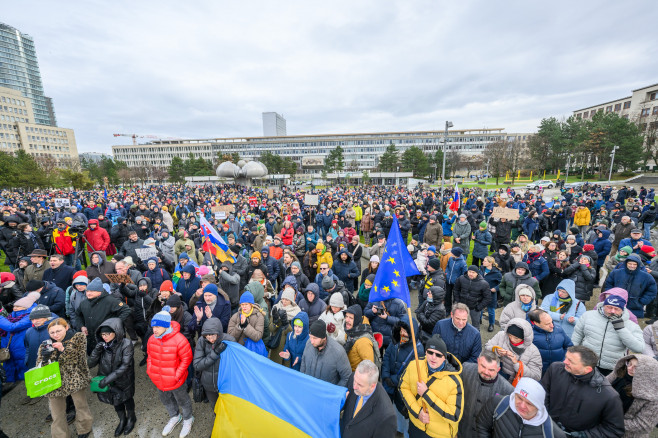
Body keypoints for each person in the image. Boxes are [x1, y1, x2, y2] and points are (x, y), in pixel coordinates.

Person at [541, 345, 625, 438]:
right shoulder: (555, 369)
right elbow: (542, 396)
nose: (565, 362)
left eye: (570, 361)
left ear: (587, 369)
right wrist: (545, 419)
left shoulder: (608, 395)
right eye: (566, 358)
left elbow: (614, 430)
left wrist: (584, 435)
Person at [398, 334, 464, 437]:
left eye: (438, 355)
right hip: (416, 425)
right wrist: (418, 412)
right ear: (425, 352)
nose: (433, 357)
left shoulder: (454, 381)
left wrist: (426, 394)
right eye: (430, 352)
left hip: (438, 434)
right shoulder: (414, 365)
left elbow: (454, 415)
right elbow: (403, 387)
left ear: (444, 358)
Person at [36, 318, 93, 438]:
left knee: (80, 406)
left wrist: (63, 350)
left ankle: (84, 428)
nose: (55, 335)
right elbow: (39, 366)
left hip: (75, 377)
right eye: (52, 333)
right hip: (54, 382)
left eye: (58, 331)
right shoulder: (45, 345)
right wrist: (45, 359)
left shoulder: (78, 337)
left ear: (66, 328)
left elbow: (80, 358)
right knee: (56, 413)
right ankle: (60, 435)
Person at [147, 306, 195, 438]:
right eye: (153, 327)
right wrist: (150, 371)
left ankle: (187, 419)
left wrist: (176, 375)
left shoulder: (179, 340)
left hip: (176, 381)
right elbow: (150, 356)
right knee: (166, 400)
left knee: (183, 400)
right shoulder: (152, 339)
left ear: (166, 326)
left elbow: (187, 359)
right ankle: (174, 416)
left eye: (157, 327)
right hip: (158, 380)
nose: (154, 330)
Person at [571, 289, 645, 375]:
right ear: (603, 306)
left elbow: (639, 348)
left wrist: (621, 329)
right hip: (587, 362)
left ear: (622, 310)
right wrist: (572, 356)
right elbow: (577, 335)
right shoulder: (588, 316)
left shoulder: (631, 325)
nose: (612, 311)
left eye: (616, 309)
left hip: (612, 368)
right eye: (609, 307)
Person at [87, 318, 137, 436]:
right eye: (102, 334)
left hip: (123, 379)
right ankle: (122, 419)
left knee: (126, 398)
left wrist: (107, 380)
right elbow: (90, 364)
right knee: (115, 400)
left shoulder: (126, 343)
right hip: (107, 379)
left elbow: (125, 365)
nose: (105, 337)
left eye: (108, 334)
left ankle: (131, 418)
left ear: (116, 332)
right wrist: (96, 351)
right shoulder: (102, 345)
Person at [476, 377, 566, 438]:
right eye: (519, 398)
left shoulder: (552, 433)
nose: (522, 406)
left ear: (538, 407)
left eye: (529, 403)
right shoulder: (498, 404)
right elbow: (482, 425)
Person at [382, 318, 424, 437]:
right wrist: (385, 376)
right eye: (401, 330)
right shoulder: (396, 340)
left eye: (406, 331)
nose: (403, 333)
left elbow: (412, 373)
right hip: (393, 389)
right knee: (395, 411)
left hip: (404, 391)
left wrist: (393, 380)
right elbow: (386, 357)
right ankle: (398, 430)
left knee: (405, 417)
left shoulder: (418, 350)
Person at [457, 351, 514, 438]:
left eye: (491, 370)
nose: (486, 372)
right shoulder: (465, 369)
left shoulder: (508, 390)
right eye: (483, 366)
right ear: (478, 361)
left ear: (498, 370)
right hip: (461, 431)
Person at [340, 360, 397, 438]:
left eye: (360, 385)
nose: (354, 387)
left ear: (372, 386)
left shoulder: (386, 417)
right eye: (354, 381)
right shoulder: (355, 378)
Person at [75, 277, 132, 354]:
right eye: (87, 291)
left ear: (100, 292)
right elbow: (78, 315)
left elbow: (126, 310)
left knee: (109, 358)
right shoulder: (84, 303)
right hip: (91, 337)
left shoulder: (111, 301)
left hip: (107, 336)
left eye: (92, 291)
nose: (88, 293)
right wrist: (82, 326)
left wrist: (114, 324)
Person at [607, 354, 658, 438]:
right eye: (629, 363)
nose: (629, 368)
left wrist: (610, 421)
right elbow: (602, 385)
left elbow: (643, 425)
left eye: (636, 367)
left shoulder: (654, 396)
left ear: (647, 371)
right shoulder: (620, 373)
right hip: (603, 426)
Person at [193, 317, 236, 413]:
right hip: (209, 385)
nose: (210, 338)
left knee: (228, 408)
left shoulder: (229, 341)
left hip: (225, 384)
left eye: (212, 335)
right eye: (207, 335)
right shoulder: (201, 341)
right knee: (215, 407)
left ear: (219, 332)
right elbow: (197, 365)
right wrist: (215, 354)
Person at [485, 318, 542, 384]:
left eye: (516, 338)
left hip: (515, 385)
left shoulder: (533, 351)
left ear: (524, 337)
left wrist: (517, 364)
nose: (512, 339)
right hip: (496, 377)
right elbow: (487, 347)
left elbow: (537, 376)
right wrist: (495, 350)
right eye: (510, 335)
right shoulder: (501, 335)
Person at [0, 292, 39, 384]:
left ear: (26, 307)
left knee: (27, 370)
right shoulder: (13, 315)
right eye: (14, 306)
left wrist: (0, 318)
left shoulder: (30, 316)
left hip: (22, 347)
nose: (15, 308)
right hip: (12, 349)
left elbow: (12, 327)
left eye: (18, 307)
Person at [603, 254, 657, 319]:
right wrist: (610, 296)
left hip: (635, 307)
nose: (632, 266)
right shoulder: (616, 273)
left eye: (634, 264)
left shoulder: (646, 277)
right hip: (615, 304)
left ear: (638, 265)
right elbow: (608, 284)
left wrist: (642, 301)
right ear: (626, 263)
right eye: (630, 264)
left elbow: (652, 291)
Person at [300, 320, 352, 386]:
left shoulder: (338, 352)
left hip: (326, 394)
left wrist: (334, 392)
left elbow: (346, 377)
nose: (311, 341)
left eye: (315, 338)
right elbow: (303, 364)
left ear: (323, 338)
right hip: (308, 388)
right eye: (310, 337)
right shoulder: (308, 343)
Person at [528, 309, 573, 375]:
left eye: (551, 321)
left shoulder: (559, 329)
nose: (552, 325)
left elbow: (570, 347)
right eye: (547, 324)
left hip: (559, 370)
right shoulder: (529, 333)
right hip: (539, 372)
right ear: (536, 323)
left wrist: (564, 360)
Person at [453, 265, 491, 330]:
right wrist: (457, 301)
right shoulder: (461, 278)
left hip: (474, 308)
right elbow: (456, 289)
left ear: (477, 273)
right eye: (469, 271)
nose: (471, 274)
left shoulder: (484, 283)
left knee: (475, 326)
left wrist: (479, 307)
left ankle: (475, 339)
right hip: (462, 306)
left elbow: (487, 298)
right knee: (461, 324)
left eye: (473, 272)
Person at [344, 304, 379, 371]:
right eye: (346, 316)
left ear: (357, 320)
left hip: (357, 376)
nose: (347, 320)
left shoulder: (363, 342)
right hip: (348, 370)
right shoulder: (350, 331)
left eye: (351, 318)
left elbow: (369, 368)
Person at [480, 256, 502, 332]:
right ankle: (479, 320)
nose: (483, 262)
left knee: (491, 310)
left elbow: (501, 284)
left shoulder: (497, 273)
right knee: (480, 307)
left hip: (490, 294)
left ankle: (491, 324)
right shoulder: (482, 268)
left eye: (485, 261)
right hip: (481, 292)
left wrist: (495, 289)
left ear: (490, 263)